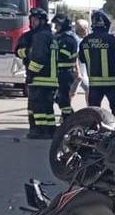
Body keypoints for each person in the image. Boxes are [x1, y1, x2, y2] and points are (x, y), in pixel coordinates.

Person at [16, 8, 59, 139]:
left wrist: (31, 74)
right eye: (32, 20)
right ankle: (50, 130)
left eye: (35, 20)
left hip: (40, 79)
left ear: (42, 21)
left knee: (38, 107)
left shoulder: (40, 36)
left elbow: (39, 58)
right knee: (48, 108)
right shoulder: (51, 36)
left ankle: (40, 131)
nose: (32, 22)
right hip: (51, 79)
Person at [79, 10, 115, 113]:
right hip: (112, 84)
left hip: (94, 84)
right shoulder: (112, 40)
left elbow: (82, 59)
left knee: (94, 113)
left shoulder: (85, 41)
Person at [51, 14, 79, 121]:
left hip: (65, 73)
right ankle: (67, 119)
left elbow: (63, 55)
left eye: (57, 25)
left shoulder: (68, 39)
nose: (55, 27)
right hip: (59, 73)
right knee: (59, 98)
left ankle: (72, 119)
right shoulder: (60, 37)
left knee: (63, 99)